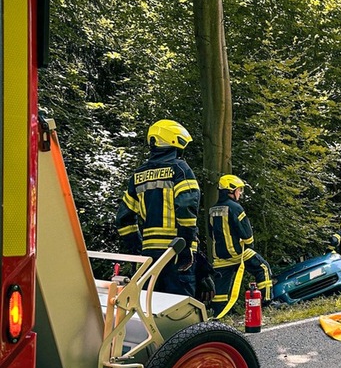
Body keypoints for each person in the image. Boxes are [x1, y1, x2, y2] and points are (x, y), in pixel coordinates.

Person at [115, 119, 203, 297]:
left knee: (151, 305)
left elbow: (123, 219)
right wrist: (185, 246)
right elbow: (186, 207)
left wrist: (137, 249)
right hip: (176, 252)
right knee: (178, 308)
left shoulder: (138, 175)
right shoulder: (180, 169)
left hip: (148, 256)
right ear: (175, 141)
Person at [208, 174, 275, 318]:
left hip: (220, 257)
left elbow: (210, 233)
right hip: (239, 253)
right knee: (262, 267)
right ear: (230, 190)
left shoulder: (212, 210)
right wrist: (249, 246)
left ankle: (219, 315)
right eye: (239, 190)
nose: (240, 193)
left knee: (220, 289)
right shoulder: (235, 207)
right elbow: (246, 233)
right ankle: (268, 303)